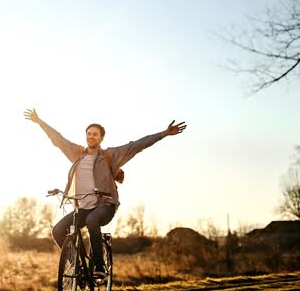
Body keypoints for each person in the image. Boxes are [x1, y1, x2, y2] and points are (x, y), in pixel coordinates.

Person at [23, 108, 186, 279]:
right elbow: (58, 139)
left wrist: (164, 133)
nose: (91, 136)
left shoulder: (111, 156)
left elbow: (137, 145)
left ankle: (99, 266)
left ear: (101, 138)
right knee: (57, 230)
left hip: (105, 205)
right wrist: (40, 122)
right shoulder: (76, 154)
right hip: (83, 206)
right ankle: (77, 264)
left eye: (95, 134)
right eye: (89, 134)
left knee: (92, 220)